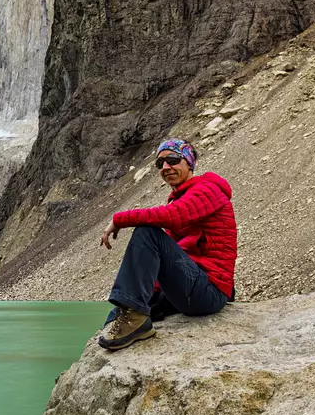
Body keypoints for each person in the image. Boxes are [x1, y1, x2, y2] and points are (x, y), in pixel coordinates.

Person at [97, 138, 237, 351]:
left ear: (189, 163)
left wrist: (119, 219)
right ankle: (130, 319)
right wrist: (138, 300)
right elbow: (168, 257)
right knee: (119, 313)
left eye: (172, 160)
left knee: (147, 232)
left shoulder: (207, 189)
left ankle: (135, 323)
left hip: (209, 291)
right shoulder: (181, 197)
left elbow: (174, 216)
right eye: (159, 164)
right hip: (194, 284)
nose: (165, 167)